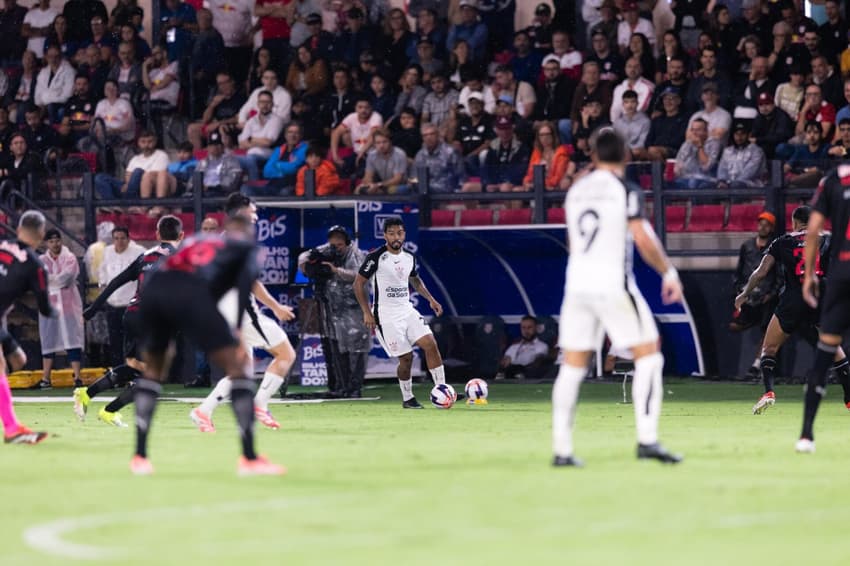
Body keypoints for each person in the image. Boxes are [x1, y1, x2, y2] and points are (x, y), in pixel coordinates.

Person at [553, 128, 683, 467]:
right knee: (650, 354)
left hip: (577, 286)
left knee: (572, 365)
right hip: (612, 283)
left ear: (593, 156)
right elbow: (641, 236)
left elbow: (572, 241)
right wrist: (668, 272)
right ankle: (647, 440)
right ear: (626, 155)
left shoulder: (576, 191)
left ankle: (562, 450)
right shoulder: (625, 189)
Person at [131, 207, 285, 476]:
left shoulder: (195, 239)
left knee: (154, 371)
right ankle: (249, 459)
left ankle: (140, 456)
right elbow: (240, 292)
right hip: (192, 293)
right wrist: (235, 330)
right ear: (248, 231)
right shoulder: (246, 248)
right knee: (238, 369)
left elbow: (166, 267)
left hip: (154, 291)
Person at [191, 194, 297, 432]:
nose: (256, 215)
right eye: (253, 211)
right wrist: (276, 307)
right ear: (240, 212)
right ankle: (260, 405)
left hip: (222, 313)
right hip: (242, 313)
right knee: (286, 354)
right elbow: (251, 283)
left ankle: (203, 411)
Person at [735, 206, 850, 417]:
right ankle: (849, 397)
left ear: (795, 222)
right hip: (820, 296)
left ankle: (769, 392)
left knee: (769, 348)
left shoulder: (782, 242)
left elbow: (760, 273)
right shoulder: (828, 238)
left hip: (794, 298)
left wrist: (744, 294)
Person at [77, 216, 184, 427]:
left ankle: (86, 393)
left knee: (135, 367)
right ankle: (109, 410)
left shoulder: (146, 256)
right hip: (152, 319)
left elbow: (116, 281)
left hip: (132, 314)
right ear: (181, 236)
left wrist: (92, 309)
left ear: (157, 234)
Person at [354, 217, 459, 408]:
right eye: (392, 233)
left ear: (404, 234)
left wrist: (431, 299)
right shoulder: (376, 257)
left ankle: (442, 389)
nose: (396, 237)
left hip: (407, 310)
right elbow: (358, 283)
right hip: (385, 315)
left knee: (430, 344)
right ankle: (408, 398)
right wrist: (366, 312)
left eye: (400, 233)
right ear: (385, 235)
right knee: (406, 358)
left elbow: (415, 281)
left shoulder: (409, 257)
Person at [797, 166, 850, 452]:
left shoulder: (833, 177)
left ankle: (806, 435)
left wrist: (808, 275)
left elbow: (813, 229)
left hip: (842, 275)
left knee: (825, 351)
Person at [0, 211, 54, 444]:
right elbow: (45, 309)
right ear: (42, 234)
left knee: (18, 360)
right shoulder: (36, 265)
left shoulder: (2, 244)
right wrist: (58, 311)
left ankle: (12, 427)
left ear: (18, 227)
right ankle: (11, 428)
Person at [298, 225, 371, 397]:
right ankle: (342, 387)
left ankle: (355, 388)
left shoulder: (357, 254)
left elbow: (359, 275)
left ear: (346, 243)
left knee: (357, 350)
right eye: (332, 245)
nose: (335, 249)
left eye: (339, 245)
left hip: (355, 309)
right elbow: (303, 259)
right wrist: (312, 261)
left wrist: (336, 271)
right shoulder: (327, 251)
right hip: (333, 309)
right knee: (337, 348)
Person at [38, 229, 85, 390]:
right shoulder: (41, 260)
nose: (55, 244)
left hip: (68, 306)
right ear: (46, 243)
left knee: (72, 340)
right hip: (49, 307)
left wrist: (51, 280)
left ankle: (77, 377)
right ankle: (45, 378)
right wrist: (53, 281)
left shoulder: (70, 258)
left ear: (61, 241)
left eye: (57, 240)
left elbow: (67, 278)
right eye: (51, 241)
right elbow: (39, 280)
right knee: (48, 340)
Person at [98, 226, 144, 368]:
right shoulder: (106, 253)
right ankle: (118, 372)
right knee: (115, 340)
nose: (119, 241)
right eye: (116, 238)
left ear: (128, 239)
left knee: (133, 341)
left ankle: (135, 371)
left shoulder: (139, 252)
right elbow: (102, 275)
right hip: (113, 304)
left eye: (123, 238)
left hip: (132, 305)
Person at [500, 315, 551, 380]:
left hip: (529, 375)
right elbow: (505, 362)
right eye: (523, 328)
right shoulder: (513, 347)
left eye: (529, 327)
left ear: (536, 328)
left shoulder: (542, 346)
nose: (526, 331)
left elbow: (538, 362)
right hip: (511, 373)